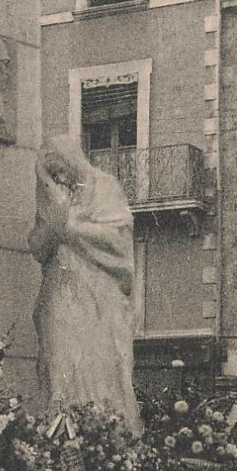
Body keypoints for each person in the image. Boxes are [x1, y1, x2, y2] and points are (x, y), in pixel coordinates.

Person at [28, 135, 142, 436]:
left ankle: (102, 433)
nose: (59, 177)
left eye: (61, 169)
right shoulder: (53, 197)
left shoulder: (103, 186)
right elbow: (38, 245)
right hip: (60, 290)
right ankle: (60, 430)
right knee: (57, 362)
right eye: (52, 173)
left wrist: (69, 227)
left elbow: (117, 240)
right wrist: (54, 215)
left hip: (97, 297)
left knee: (97, 368)